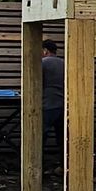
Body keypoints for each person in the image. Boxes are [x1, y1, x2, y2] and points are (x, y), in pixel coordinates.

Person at [39, 34, 63, 167]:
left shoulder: (42, 63)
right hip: (62, 105)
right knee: (62, 138)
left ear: (45, 51)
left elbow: (37, 83)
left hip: (47, 105)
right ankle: (64, 166)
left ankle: (38, 166)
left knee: (40, 136)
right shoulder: (64, 63)